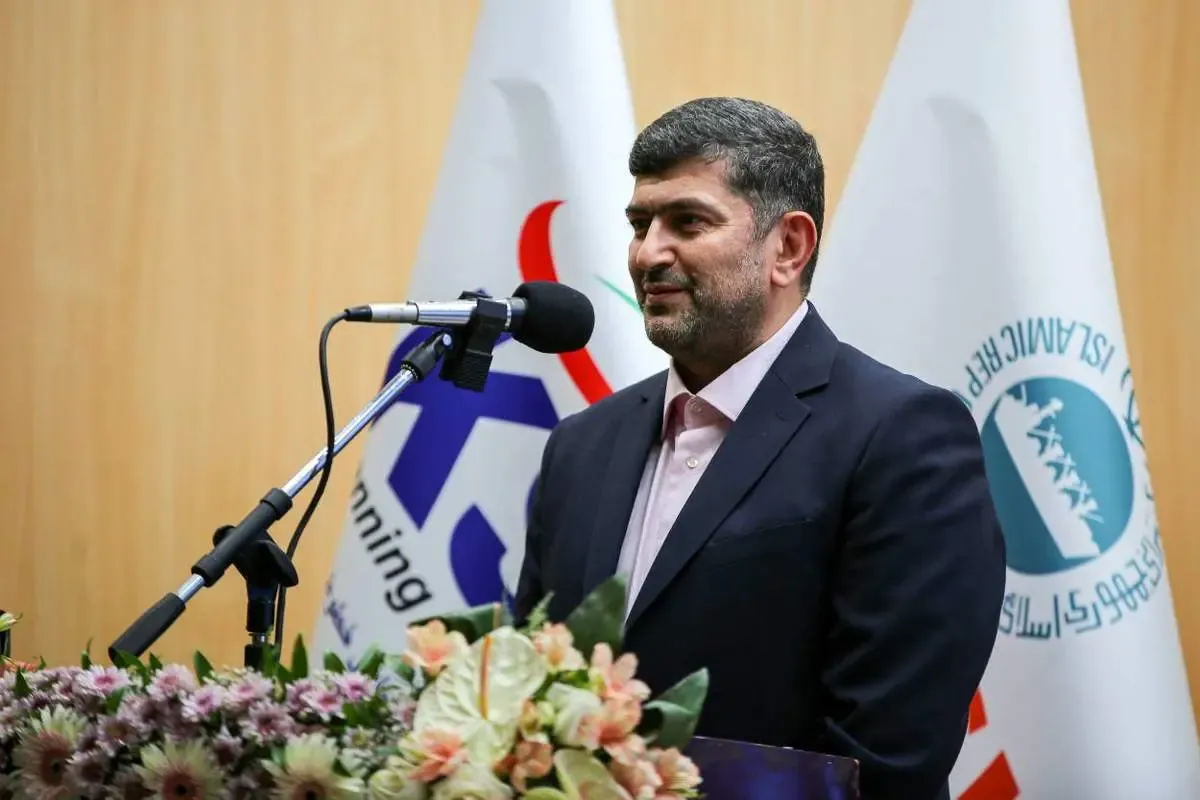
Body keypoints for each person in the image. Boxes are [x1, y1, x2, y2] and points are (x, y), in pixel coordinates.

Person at [514, 97, 1007, 800]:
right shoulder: (580, 445)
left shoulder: (902, 435)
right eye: (640, 224)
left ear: (789, 247)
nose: (648, 253)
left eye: (688, 222)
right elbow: (529, 691)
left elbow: (890, 756)